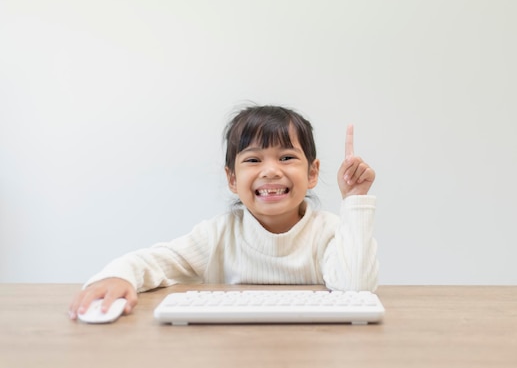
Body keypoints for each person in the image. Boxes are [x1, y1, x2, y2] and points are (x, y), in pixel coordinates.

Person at [69, 104, 378, 320]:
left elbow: (358, 288)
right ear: (232, 178)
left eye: (286, 157)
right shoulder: (217, 236)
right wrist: (116, 276)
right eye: (253, 160)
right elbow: (152, 261)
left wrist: (354, 200)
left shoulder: (330, 231)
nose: (270, 171)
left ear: (313, 173)